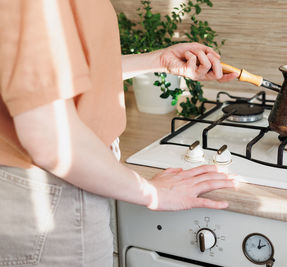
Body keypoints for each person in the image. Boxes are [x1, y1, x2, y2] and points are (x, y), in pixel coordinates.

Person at [0, 1, 238, 266]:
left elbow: (62, 73)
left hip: (67, 178)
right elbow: (51, 137)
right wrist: (151, 192)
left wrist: (156, 61)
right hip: (50, 190)